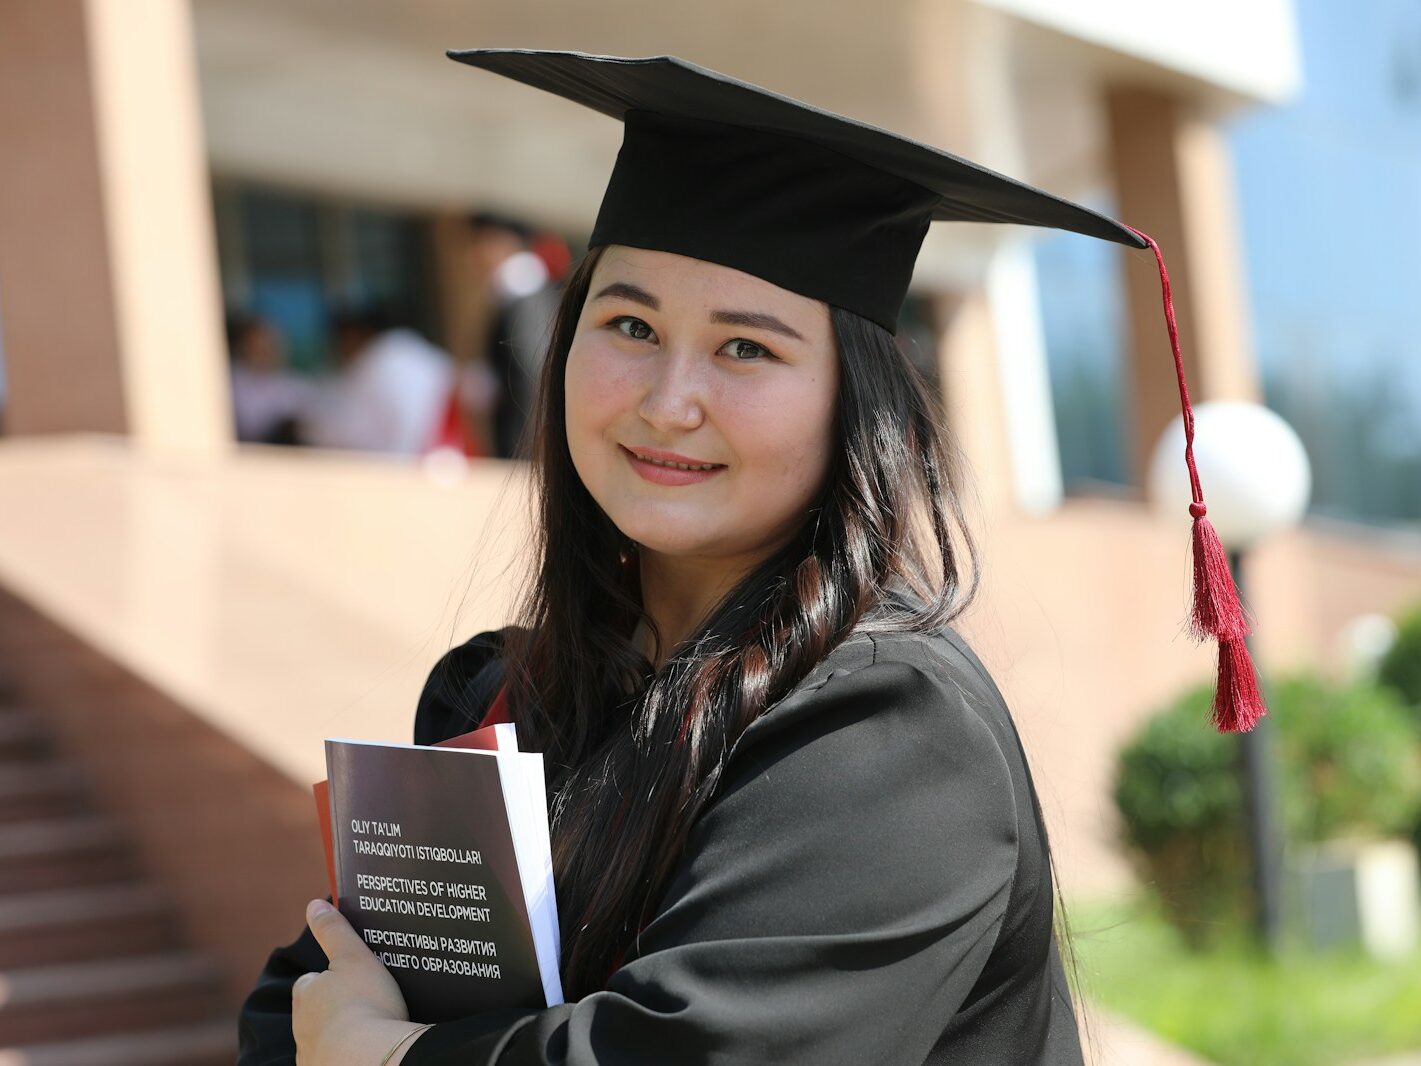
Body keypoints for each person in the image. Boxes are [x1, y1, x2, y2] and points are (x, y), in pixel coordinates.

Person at [236, 49, 1263, 1066]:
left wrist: (388, 1056)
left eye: (745, 348)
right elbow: (296, 1001)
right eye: (629, 323)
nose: (666, 398)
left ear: (851, 403)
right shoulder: (504, 696)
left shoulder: (887, 729)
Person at [463, 210, 563, 459]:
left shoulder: (527, 301)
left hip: (525, 454)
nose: (472, 257)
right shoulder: (517, 297)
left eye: (478, 243)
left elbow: (534, 381)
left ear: (501, 242)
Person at [301, 307, 457, 457]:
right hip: (448, 453)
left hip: (420, 459)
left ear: (354, 337)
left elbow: (342, 433)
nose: (340, 352)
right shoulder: (412, 350)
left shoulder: (374, 363)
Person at [226, 311, 318, 446]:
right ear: (245, 346)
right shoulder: (232, 384)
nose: (266, 351)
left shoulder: (298, 386)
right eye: (259, 345)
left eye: (271, 344)